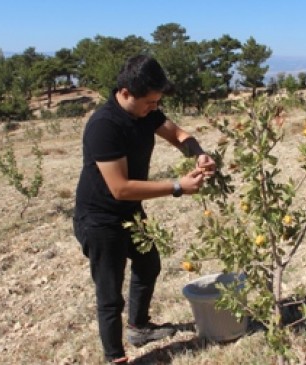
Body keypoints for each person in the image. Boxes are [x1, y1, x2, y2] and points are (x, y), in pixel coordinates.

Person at [72, 55, 216, 364]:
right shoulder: (104, 126)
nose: (154, 107)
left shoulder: (146, 113)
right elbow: (120, 188)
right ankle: (116, 358)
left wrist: (199, 154)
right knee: (110, 294)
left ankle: (139, 327)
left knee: (148, 265)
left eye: (157, 102)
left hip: (131, 213)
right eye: (149, 102)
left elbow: (178, 135)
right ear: (125, 93)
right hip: (100, 219)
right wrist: (177, 186)